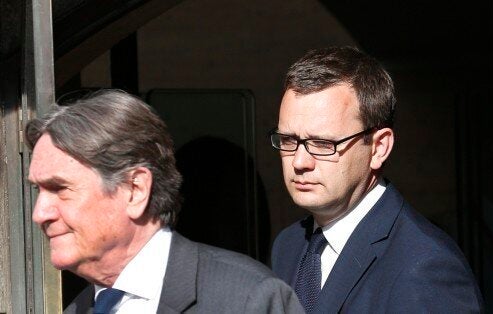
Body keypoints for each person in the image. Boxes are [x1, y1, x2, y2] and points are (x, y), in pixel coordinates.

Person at [26, 90, 303, 313]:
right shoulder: (76, 309)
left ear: (135, 190)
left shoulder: (247, 299)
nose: (40, 213)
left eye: (60, 189)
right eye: (39, 190)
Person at [269, 46, 482, 313]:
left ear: (379, 148)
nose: (299, 162)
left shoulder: (425, 266)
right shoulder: (288, 245)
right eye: (289, 140)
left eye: (323, 144)